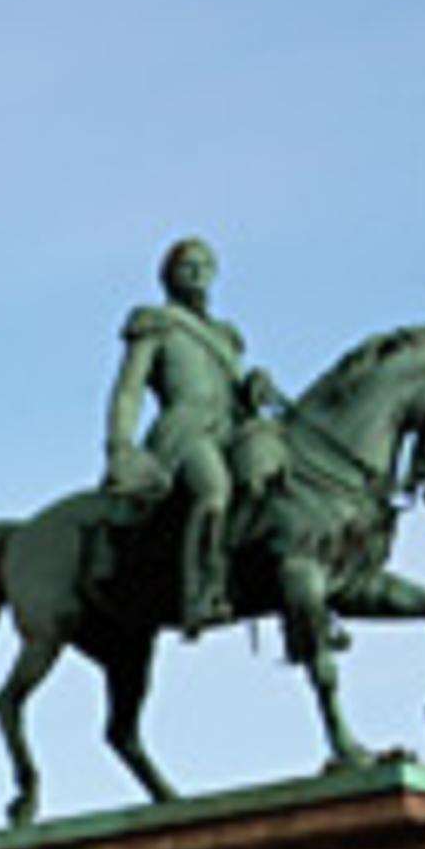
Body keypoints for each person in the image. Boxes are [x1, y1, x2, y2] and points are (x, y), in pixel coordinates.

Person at [101, 236, 278, 633]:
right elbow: (129, 389)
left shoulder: (227, 336)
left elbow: (233, 397)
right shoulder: (156, 322)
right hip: (185, 432)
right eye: (187, 266)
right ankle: (200, 596)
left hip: (230, 429)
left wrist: (251, 389)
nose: (197, 273)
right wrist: (119, 444)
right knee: (213, 490)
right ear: (169, 277)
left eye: (205, 265)